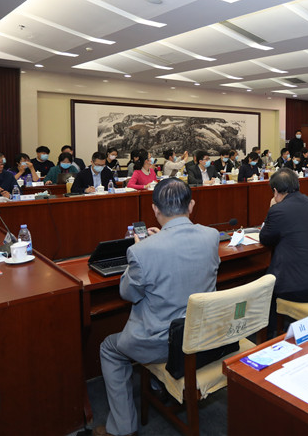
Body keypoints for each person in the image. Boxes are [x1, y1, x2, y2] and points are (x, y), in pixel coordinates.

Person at [96, 179, 220, 436]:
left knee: (108, 348)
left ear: (155, 210)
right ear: (191, 205)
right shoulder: (211, 236)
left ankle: (122, 428)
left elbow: (128, 294)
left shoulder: (142, 250)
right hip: (202, 335)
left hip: (160, 343)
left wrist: (140, 251)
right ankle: (157, 385)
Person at [258, 169, 308, 332]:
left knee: (265, 285)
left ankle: (270, 335)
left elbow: (265, 238)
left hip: (299, 287)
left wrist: (272, 208)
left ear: (275, 191)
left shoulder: (278, 210)